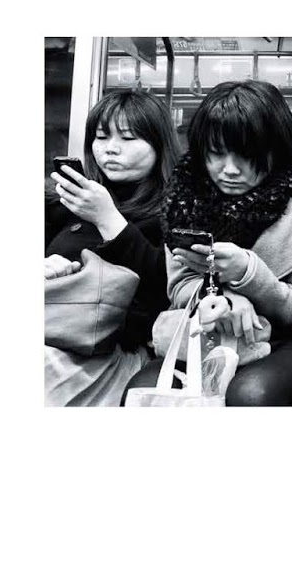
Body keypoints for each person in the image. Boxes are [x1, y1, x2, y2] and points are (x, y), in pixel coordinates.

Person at [118, 80, 292, 406]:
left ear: (277, 148)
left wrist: (247, 273)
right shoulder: (185, 195)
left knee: (251, 394)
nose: (230, 170)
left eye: (247, 156)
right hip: (205, 332)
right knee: (142, 391)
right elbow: (179, 287)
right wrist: (222, 298)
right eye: (216, 154)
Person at [45, 88, 181, 406]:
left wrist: (108, 219)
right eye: (102, 137)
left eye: (128, 138)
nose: (111, 149)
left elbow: (167, 291)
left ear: (159, 145)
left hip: (113, 353)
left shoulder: (177, 207)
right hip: (51, 330)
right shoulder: (62, 201)